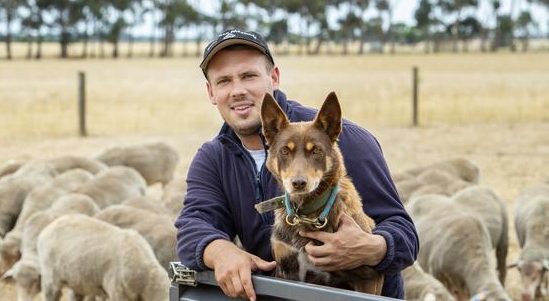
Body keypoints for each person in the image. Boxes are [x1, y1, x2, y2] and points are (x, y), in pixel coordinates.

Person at [175, 29, 418, 300]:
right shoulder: (213, 158)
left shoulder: (344, 139)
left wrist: (373, 247)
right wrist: (220, 251)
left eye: (248, 76)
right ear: (211, 92)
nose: (238, 90)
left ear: (274, 77)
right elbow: (192, 225)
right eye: (224, 81)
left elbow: (404, 233)